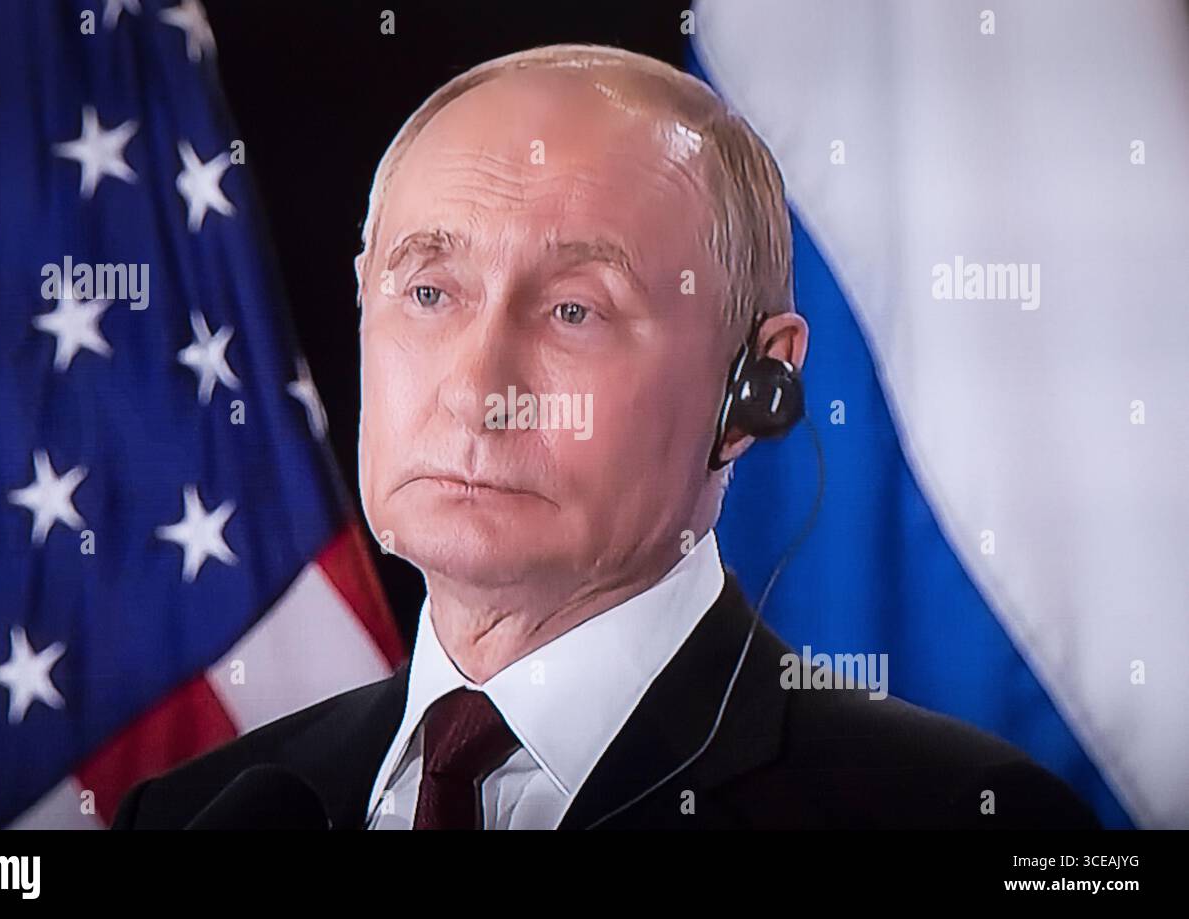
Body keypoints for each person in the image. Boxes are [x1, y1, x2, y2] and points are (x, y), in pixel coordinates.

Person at [113, 43, 1098, 830]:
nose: (475, 389)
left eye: (576, 311)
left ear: (755, 385)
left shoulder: (957, 814)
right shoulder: (197, 811)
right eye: (427, 292)